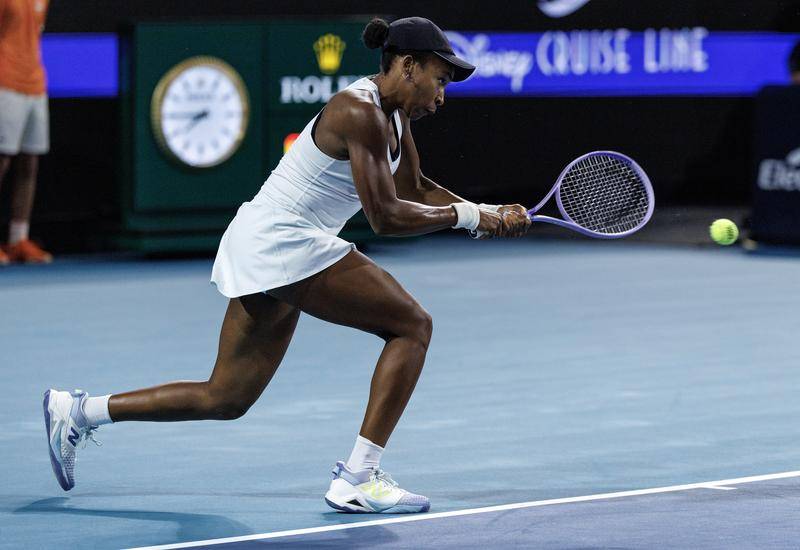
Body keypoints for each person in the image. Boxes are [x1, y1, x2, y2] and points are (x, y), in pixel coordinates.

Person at [42, 16, 531, 513]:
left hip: (266, 243)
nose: (442, 96)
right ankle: (358, 477)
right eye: (439, 79)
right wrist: (469, 217)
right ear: (407, 66)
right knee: (412, 326)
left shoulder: (394, 117)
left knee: (225, 397)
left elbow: (416, 189)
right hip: (283, 241)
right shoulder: (359, 111)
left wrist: (486, 211)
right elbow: (385, 216)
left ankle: (79, 411)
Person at [0, 0, 54, 264]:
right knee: (2, 160)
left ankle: (17, 239)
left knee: (29, 163)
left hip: (35, 85)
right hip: (4, 83)